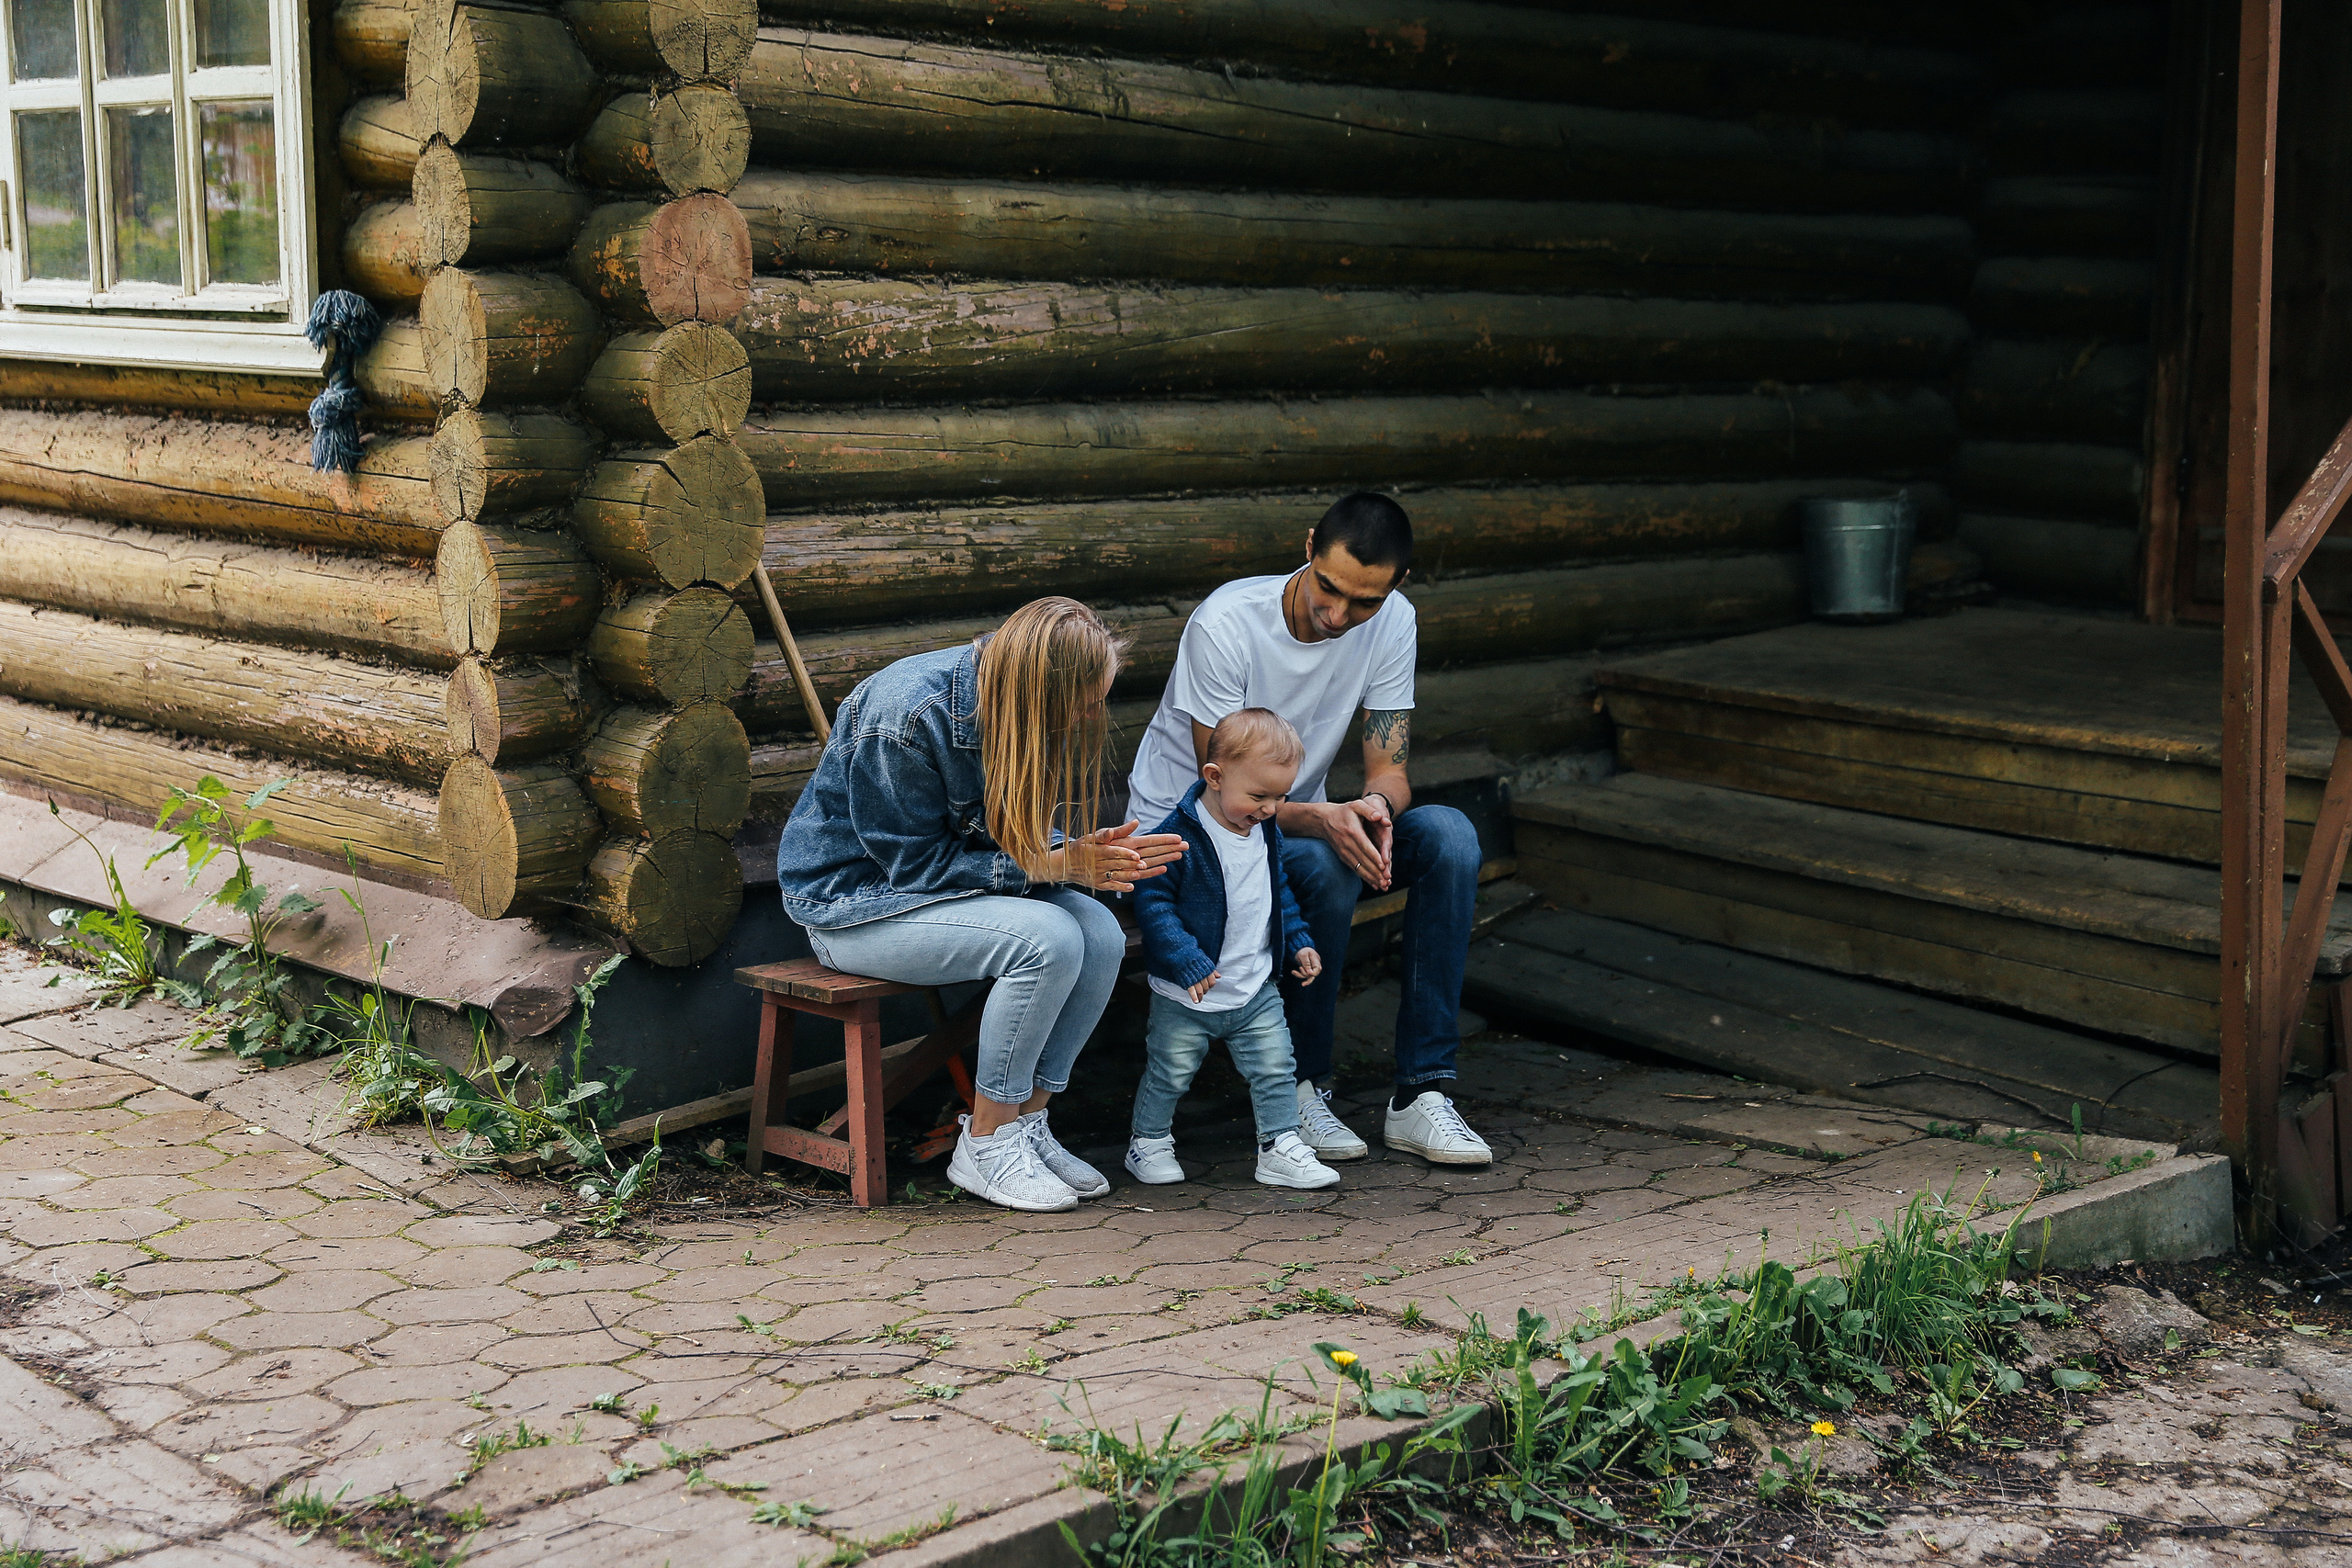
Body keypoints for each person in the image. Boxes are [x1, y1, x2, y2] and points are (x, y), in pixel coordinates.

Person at [775, 597, 1185, 1213]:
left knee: (1099, 931)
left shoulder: (1021, 705)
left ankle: (1026, 1123)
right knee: (1048, 938)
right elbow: (915, 869)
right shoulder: (907, 714)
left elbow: (1006, 831)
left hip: (938, 896)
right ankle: (987, 1140)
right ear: (1039, 687)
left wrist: (1070, 849)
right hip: (855, 908)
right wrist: (1051, 866)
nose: (1086, 715)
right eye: (1081, 702)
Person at [1125, 493, 1492, 1166]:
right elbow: (1222, 794)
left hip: (1286, 822)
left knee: (1450, 837)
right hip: (1191, 838)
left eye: (1364, 602)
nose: (1338, 614)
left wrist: (1374, 809)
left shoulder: (1394, 622)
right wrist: (1325, 819)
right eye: (1329, 588)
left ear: (1397, 586)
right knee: (1323, 863)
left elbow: (1391, 766)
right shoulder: (1226, 624)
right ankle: (1301, 1086)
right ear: (1308, 548)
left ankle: (1422, 1096)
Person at [1126, 708, 1337, 1190]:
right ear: (1215, 777)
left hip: (1253, 986)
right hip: (1189, 994)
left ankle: (1279, 1146)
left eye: (1281, 797)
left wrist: (1299, 941)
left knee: (1277, 1068)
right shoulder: (1177, 835)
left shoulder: (1264, 828)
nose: (1269, 808)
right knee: (1170, 1073)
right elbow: (1153, 903)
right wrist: (1185, 959)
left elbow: (1276, 889)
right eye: (1259, 796)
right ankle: (1149, 1142)